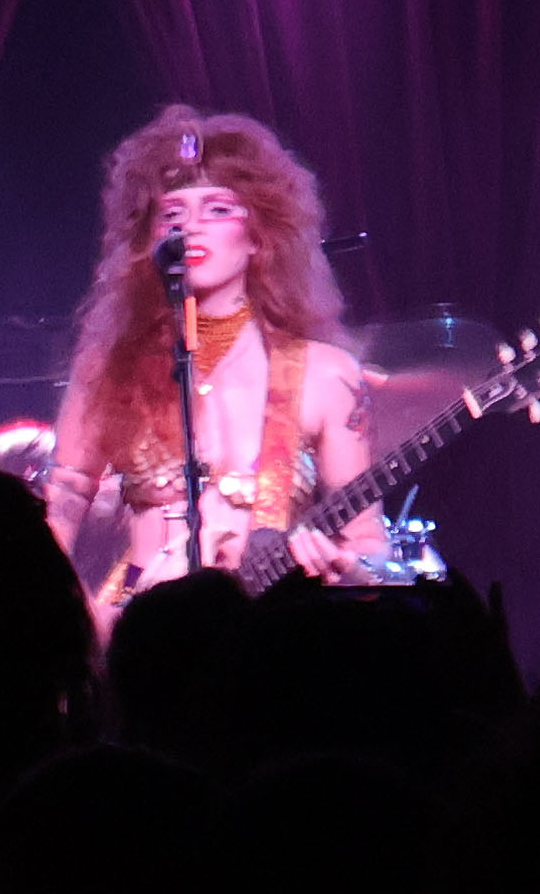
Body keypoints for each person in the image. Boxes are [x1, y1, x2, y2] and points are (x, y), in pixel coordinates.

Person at [44, 107, 382, 621]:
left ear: (259, 235)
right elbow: (60, 510)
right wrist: (82, 622)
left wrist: (345, 568)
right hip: (135, 638)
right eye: (173, 215)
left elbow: (368, 544)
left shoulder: (327, 375)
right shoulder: (109, 370)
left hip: (272, 637)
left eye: (218, 210)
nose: (193, 227)